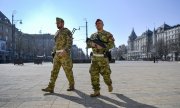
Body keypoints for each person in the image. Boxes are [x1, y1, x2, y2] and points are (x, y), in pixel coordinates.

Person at [42, 17, 75, 93]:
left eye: (58, 23)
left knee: (68, 70)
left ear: (62, 23)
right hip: (57, 54)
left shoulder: (67, 31)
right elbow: (56, 44)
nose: (57, 24)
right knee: (54, 71)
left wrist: (66, 50)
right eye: (56, 23)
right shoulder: (56, 32)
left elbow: (70, 42)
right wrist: (53, 52)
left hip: (64, 54)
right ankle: (51, 87)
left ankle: (71, 85)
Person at [86, 19, 115, 97]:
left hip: (103, 59)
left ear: (103, 24)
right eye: (97, 24)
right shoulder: (93, 35)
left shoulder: (107, 34)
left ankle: (109, 84)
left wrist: (103, 47)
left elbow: (112, 44)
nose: (98, 25)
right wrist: (91, 44)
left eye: (100, 23)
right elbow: (88, 44)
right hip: (94, 59)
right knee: (93, 74)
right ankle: (96, 91)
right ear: (95, 25)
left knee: (106, 76)